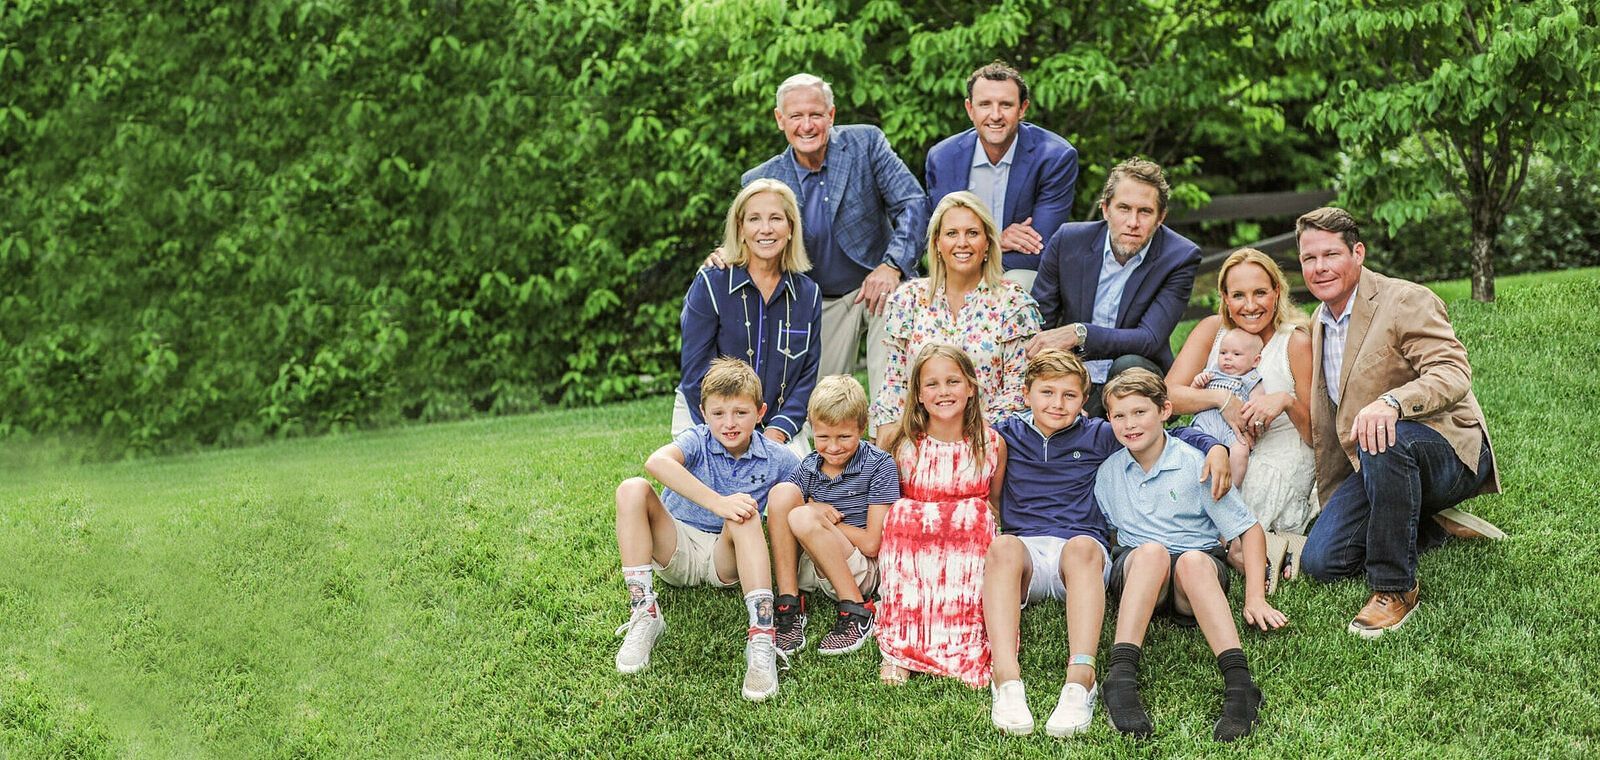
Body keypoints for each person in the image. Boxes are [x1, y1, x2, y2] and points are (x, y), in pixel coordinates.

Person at [984, 350, 1232, 737]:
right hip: (1025, 554)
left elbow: (1165, 434)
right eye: (1046, 392)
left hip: (1078, 555)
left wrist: (1215, 446)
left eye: (1069, 395)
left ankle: (1080, 678)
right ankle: (1006, 678)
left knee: (1083, 546)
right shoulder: (1006, 433)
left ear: (1085, 401)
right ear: (1026, 393)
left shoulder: (1098, 434)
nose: (1057, 403)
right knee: (1001, 548)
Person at [1293, 207, 1503, 638]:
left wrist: (1392, 402)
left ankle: (1395, 587)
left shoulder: (1404, 299)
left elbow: (1452, 372)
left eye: (1331, 255)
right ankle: (1429, 523)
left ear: (1358, 253)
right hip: (1380, 460)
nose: (1319, 268)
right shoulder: (1319, 322)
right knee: (1322, 563)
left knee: (1382, 437)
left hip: (1447, 448)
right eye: (1309, 259)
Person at [1094, 369, 1286, 742]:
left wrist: (1255, 597)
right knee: (1151, 553)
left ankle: (1240, 687)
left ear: (1165, 410)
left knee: (1194, 560)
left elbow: (1248, 529)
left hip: (1190, 582)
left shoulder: (1196, 462)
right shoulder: (1109, 473)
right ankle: (1120, 679)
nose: (1129, 424)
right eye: (1119, 416)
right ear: (1109, 421)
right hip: (1140, 572)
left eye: (1139, 413)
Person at [612, 358, 802, 701]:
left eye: (740, 413)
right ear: (703, 412)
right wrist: (718, 502)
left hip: (725, 559)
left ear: (760, 412)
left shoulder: (779, 458)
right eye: (718, 413)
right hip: (677, 546)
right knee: (631, 488)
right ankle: (644, 613)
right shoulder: (696, 440)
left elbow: (804, 495)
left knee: (742, 512)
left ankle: (761, 636)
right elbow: (656, 462)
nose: (729, 423)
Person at [741, 73, 927, 409]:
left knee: (896, 313)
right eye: (796, 116)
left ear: (831, 115)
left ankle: (889, 431)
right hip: (817, 296)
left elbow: (912, 202)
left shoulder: (866, 144)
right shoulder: (761, 179)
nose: (807, 125)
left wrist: (893, 264)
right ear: (780, 120)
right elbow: (749, 241)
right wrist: (722, 256)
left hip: (877, 281)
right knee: (824, 407)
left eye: (816, 114)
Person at [1166, 248, 1317, 591]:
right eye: (1239, 295)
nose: (1250, 305)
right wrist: (1222, 399)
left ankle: (1268, 545)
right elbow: (1168, 397)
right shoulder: (1212, 331)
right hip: (1217, 439)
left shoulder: (1294, 341)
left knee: (1239, 510)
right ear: (1225, 297)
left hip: (1280, 447)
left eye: (1260, 292)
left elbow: (1314, 434)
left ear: (1277, 291)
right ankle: (1249, 547)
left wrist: (1285, 401)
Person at [1027, 158, 1202, 417]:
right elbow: (1040, 321)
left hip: (1135, 373)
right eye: (1123, 208)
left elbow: (1149, 339)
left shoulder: (1180, 257)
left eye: (1145, 211)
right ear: (1105, 209)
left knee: (1127, 365)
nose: (1133, 222)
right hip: (1073, 370)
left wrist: (1081, 333)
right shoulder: (1068, 240)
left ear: (1160, 217)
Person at [876, 344, 1006, 687]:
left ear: (970, 388)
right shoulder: (901, 443)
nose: (943, 391)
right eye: (931, 384)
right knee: (902, 514)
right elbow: (883, 501)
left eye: (953, 381)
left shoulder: (990, 443)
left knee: (976, 515)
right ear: (918, 394)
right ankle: (901, 646)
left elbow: (994, 503)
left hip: (966, 549)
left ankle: (963, 642)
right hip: (913, 550)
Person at [870, 192, 1041, 437]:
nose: (962, 242)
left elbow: (1018, 393)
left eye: (972, 233)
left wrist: (963, 441)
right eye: (952, 233)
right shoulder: (907, 300)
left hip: (987, 441)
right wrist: (891, 446)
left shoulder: (1014, 303)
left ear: (988, 243)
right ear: (937, 243)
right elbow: (894, 386)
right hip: (916, 440)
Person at [678, 180, 822, 457]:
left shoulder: (809, 294)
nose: (765, 229)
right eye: (754, 219)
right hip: (715, 421)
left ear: (790, 228)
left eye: (776, 218)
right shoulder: (711, 283)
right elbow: (695, 373)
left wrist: (776, 431)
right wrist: (732, 432)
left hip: (777, 427)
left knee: (788, 494)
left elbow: (806, 379)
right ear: (740, 229)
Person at [766, 375, 901, 657]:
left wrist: (821, 515)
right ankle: (788, 606)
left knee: (803, 517)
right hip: (816, 563)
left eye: (844, 437)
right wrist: (812, 510)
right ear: (811, 429)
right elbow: (787, 512)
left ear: (862, 428)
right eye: (823, 437)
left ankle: (856, 610)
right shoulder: (809, 465)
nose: (833, 447)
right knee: (781, 494)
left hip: (860, 569)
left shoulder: (879, 465)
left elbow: (872, 544)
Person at [925, 61, 1079, 293]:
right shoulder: (943, 158)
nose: (995, 115)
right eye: (985, 104)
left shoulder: (1055, 157)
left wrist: (976, 252)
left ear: (1022, 108)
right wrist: (996, 238)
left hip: (1016, 274)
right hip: (956, 274)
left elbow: (1039, 249)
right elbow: (941, 240)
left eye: (1006, 105)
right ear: (970, 109)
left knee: (1016, 283)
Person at [1187, 329, 1266, 488]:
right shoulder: (1211, 373)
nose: (1228, 358)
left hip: (1232, 430)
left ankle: (1232, 489)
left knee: (1240, 452)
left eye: (1236, 354)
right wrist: (1197, 383)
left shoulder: (1251, 380)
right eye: (1223, 352)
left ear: (1255, 361)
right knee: (1191, 453)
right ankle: (1195, 483)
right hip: (1205, 424)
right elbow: (1192, 397)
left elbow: (1258, 404)